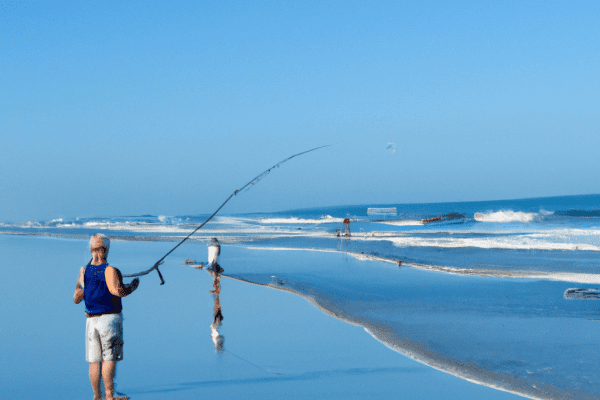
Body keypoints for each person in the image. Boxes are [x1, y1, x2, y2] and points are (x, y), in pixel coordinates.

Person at [73, 234, 139, 400]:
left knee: (94, 361)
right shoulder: (110, 270)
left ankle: (97, 396)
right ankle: (109, 396)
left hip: (90, 321)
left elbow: (76, 298)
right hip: (109, 320)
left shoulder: (84, 271)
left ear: (91, 249)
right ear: (106, 250)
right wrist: (132, 287)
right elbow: (117, 291)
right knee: (109, 359)